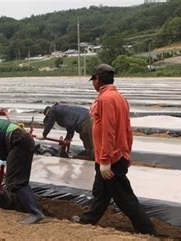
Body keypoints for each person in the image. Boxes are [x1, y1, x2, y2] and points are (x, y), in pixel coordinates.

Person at [71, 64, 156, 235]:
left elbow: (108, 131)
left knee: (125, 198)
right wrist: (127, 153)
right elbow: (127, 129)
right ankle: (89, 220)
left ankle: (147, 231)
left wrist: (105, 161)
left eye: (93, 80)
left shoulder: (105, 99)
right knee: (101, 193)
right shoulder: (119, 98)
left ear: (97, 79)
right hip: (116, 155)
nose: (92, 84)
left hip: (111, 158)